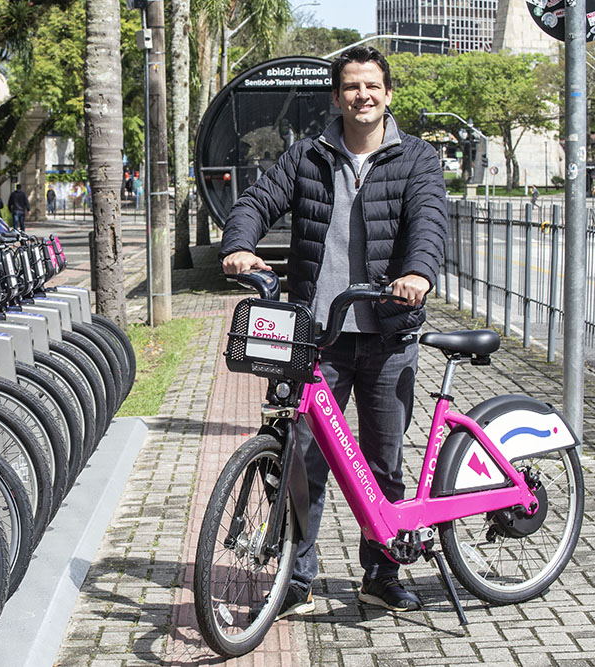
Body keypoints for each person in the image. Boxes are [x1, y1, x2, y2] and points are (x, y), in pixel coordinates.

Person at [219, 46, 447, 616]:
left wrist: (418, 272)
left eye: (371, 86)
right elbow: (258, 199)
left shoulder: (416, 158)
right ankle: (295, 578)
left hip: (387, 329)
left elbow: (428, 222)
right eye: (350, 87)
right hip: (318, 333)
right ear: (337, 96)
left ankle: (382, 571)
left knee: (383, 459)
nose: (361, 96)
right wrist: (240, 244)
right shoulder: (308, 155)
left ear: (388, 93)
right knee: (302, 460)